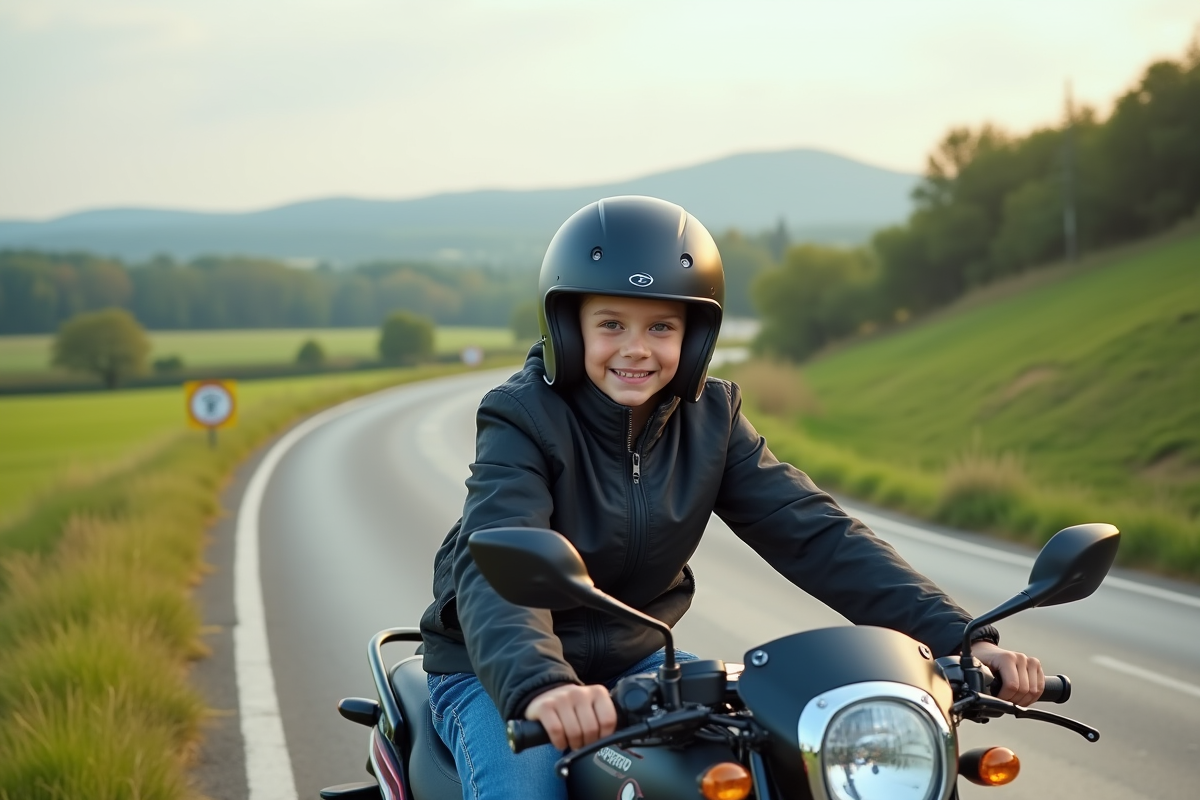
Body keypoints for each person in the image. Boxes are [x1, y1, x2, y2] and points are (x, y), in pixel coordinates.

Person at [419, 195, 1044, 799]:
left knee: (764, 763)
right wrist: (539, 686)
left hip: (637, 663)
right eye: (611, 324)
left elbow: (815, 533)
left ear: (694, 339)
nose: (636, 348)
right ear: (567, 327)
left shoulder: (711, 419)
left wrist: (964, 639)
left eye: (661, 327)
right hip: (495, 674)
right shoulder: (522, 416)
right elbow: (496, 560)